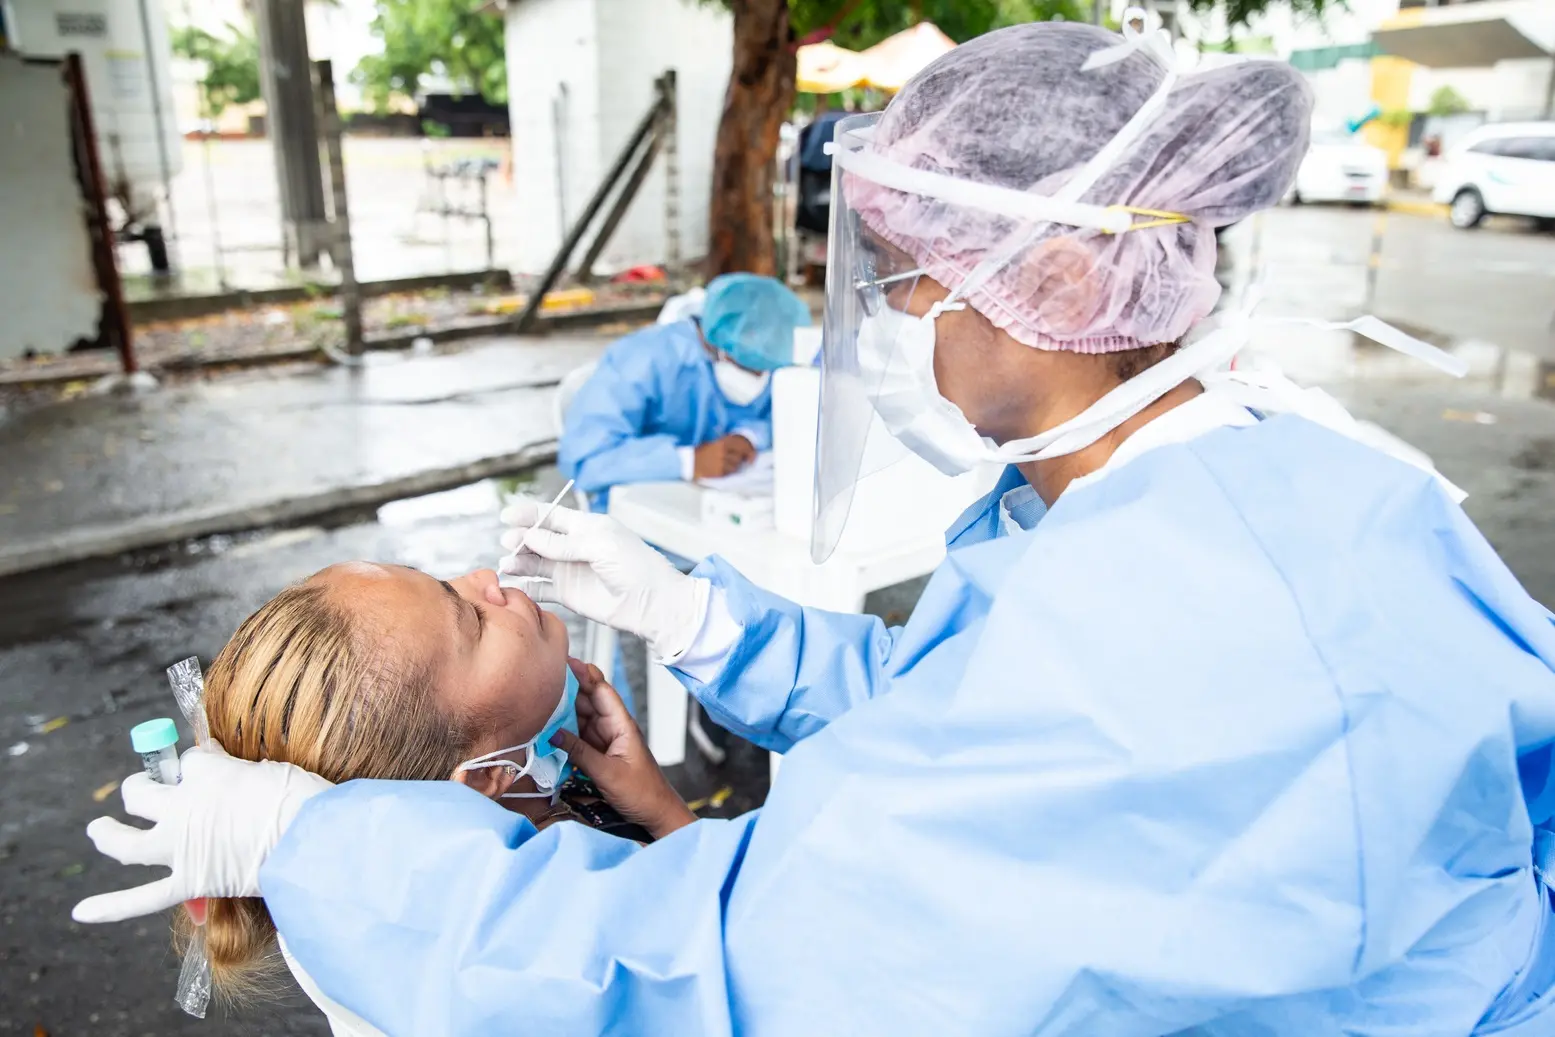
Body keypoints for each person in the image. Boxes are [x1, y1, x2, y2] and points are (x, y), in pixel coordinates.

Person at [74, 16, 1555, 1035]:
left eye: (903, 276)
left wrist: (332, 849)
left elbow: (724, 975)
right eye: (451, 604)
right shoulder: (1257, 492)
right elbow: (961, 730)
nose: (883, 315)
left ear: (1038, 287)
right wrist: (704, 633)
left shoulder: (1184, 593)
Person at [117, 562, 690, 1033]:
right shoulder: (553, 962)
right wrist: (673, 829)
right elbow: (721, 966)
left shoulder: (344, 898)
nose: (486, 578)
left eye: (445, 582)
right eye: (473, 622)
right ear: (487, 778)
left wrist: (658, 812)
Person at [559, 272, 810, 511]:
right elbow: (585, 462)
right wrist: (687, 462)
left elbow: (783, 413)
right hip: (638, 523)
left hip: (721, 511)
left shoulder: (770, 359)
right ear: (718, 345)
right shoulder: (644, 360)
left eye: (766, 369)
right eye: (751, 366)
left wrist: (749, 436)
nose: (759, 378)